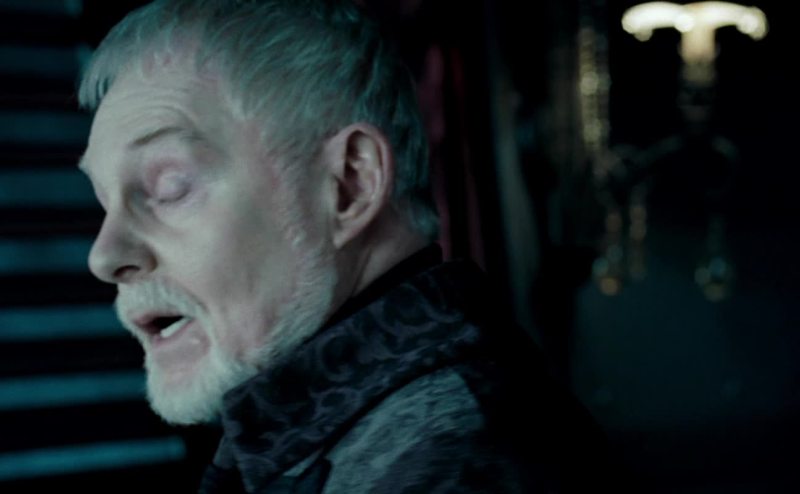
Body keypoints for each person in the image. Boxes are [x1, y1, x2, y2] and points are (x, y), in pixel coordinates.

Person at [78, 0, 614, 492]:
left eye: (169, 187)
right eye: (105, 203)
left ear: (350, 184)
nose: (104, 256)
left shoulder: (451, 462)